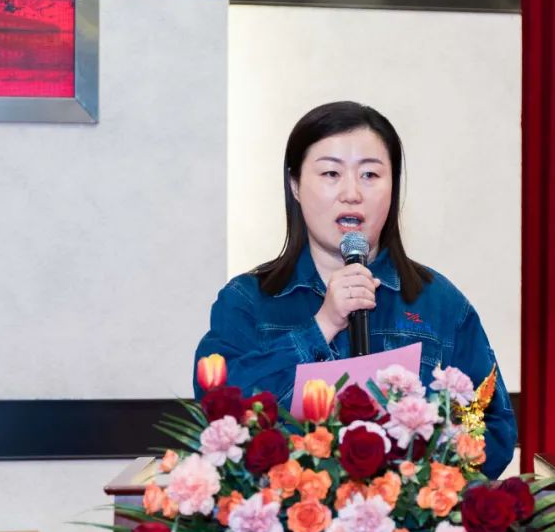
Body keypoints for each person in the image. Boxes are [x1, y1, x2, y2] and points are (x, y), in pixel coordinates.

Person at [194, 101, 517, 478]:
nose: (351, 193)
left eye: (370, 175)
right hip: (290, 515)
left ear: (393, 186)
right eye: (331, 173)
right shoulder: (248, 301)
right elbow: (217, 412)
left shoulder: (440, 304)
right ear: (295, 185)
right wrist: (322, 326)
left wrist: (418, 475)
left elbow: (495, 428)